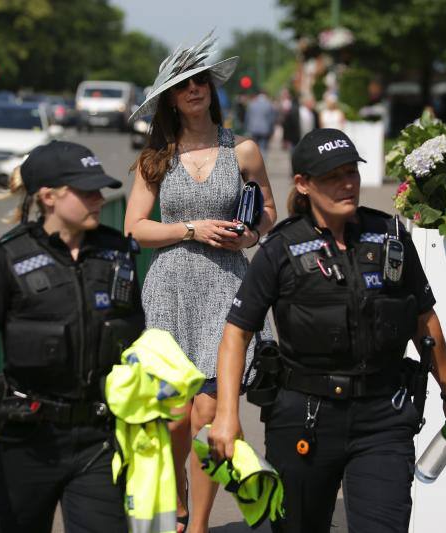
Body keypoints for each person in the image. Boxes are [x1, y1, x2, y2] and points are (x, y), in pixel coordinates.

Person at [209, 128, 446, 532]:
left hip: (383, 416)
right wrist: (227, 414)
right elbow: (236, 333)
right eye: (333, 176)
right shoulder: (279, 249)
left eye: (352, 172)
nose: (347, 183)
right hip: (305, 416)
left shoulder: (391, 236)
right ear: (304, 184)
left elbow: (424, 318)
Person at [0, 140, 144, 533]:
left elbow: (137, 340)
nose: (100, 198)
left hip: (99, 438)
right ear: (49, 196)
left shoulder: (118, 253)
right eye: (86, 190)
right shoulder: (8, 258)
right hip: (26, 441)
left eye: (100, 189)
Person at [125, 32, 277, 533]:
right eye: (183, 84)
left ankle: (197, 527)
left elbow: (270, 214)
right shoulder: (156, 157)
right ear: (171, 96)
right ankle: (179, 496)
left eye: (200, 81)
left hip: (227, 289)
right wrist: (191, 228)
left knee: (207, 418)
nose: (194, 90)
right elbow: (135, 228)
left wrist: (248, 234)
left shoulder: (245, 150)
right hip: (169, 290)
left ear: (211, 89)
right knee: (172, 421)